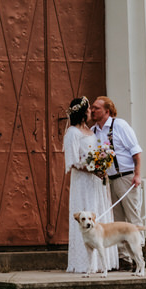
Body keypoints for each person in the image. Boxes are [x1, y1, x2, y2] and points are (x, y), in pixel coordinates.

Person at [62, 95, 116, 274]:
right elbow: (73, 161)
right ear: (82, 112)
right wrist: (92, 168)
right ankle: (85, 263)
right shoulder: (72, 133)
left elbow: (95, 151)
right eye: (88, 109)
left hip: (96, 180)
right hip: (83, 182)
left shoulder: (90, 130)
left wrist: (102, 164)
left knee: (98, 214)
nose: (90, 111)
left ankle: (102, 262)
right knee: (86, 214)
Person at [91, 96, 144, 250]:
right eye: (92, 108)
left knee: (132, 217)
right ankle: (124, 257)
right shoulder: (94, 130)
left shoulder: (119, 125)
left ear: (107, 111)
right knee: (117, 221)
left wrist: (137, 174)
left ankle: (140, 255)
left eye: (96, 108)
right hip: (109, 181)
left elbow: (136, 151)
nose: (93, 110)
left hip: (126, 177)